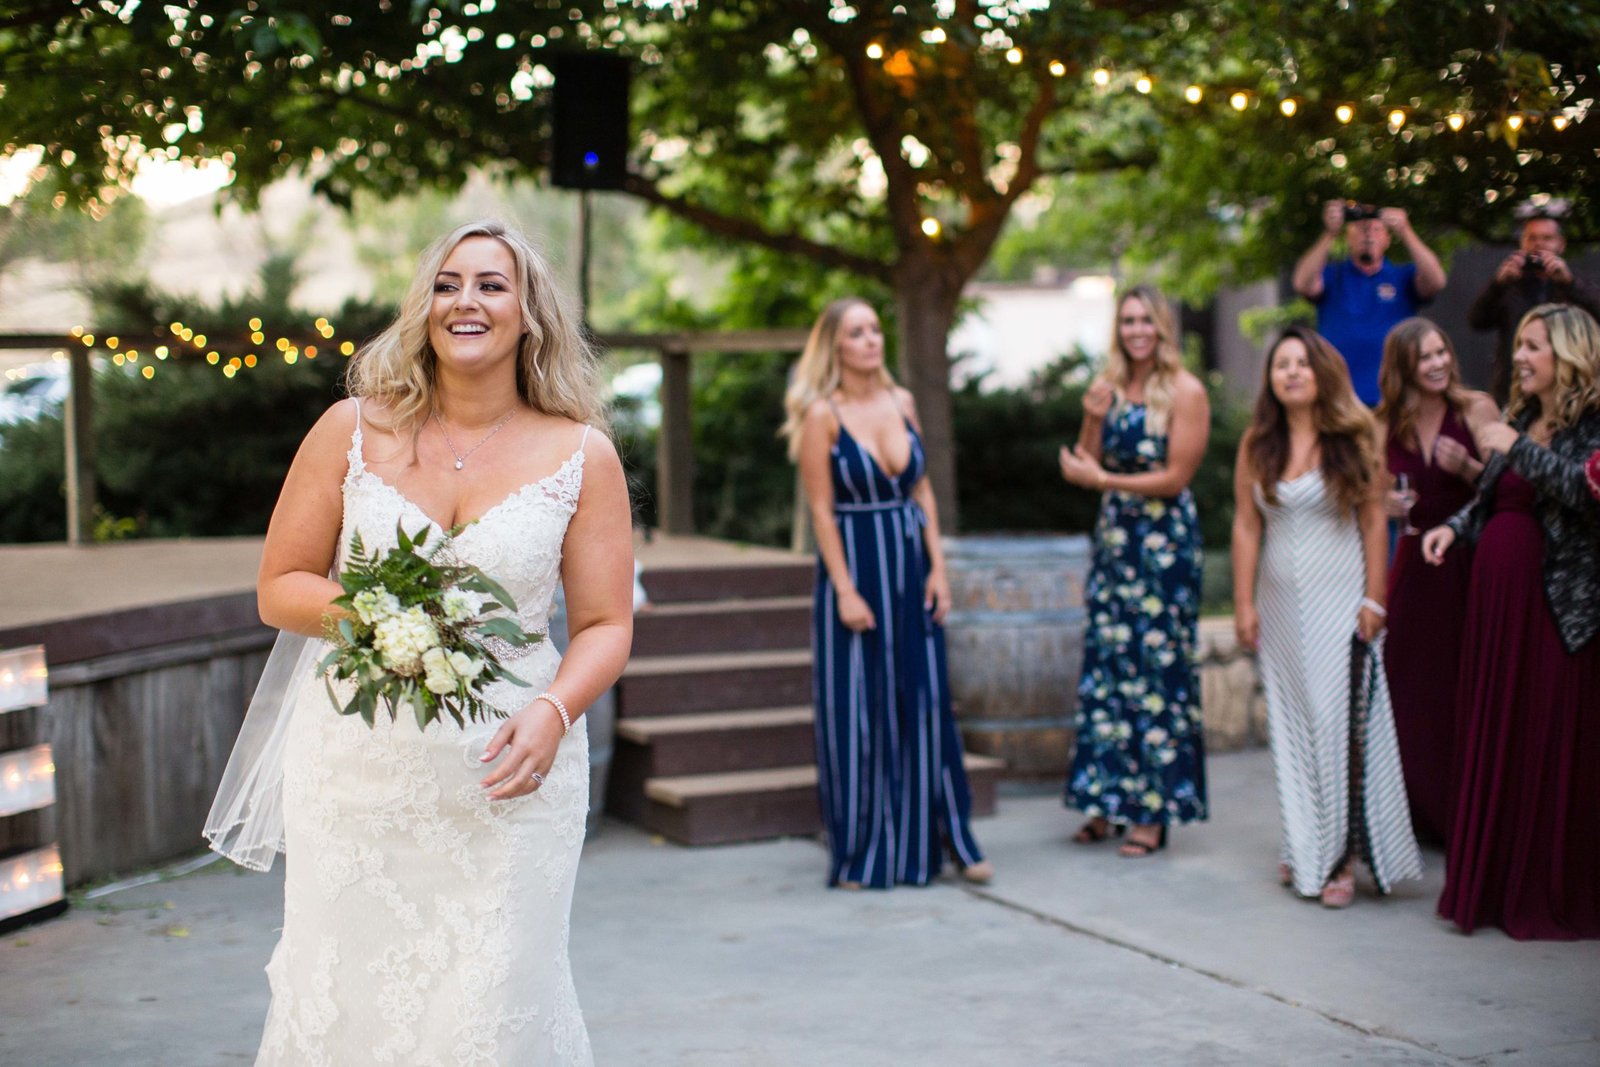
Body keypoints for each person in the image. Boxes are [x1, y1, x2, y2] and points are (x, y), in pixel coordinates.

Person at [208, 220, 634, 1062]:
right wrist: (376, 621)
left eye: (490, 284)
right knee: (355, 1005)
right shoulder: (350, 429)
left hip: (511, 778)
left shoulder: (584, 456)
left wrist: (555, 711)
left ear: (529, 314)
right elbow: (280, 585)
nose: (464, 301)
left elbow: (606, 624)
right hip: (361, 773)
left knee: (492, 1008)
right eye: (447, 284)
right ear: (424, 308)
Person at [781, 297, 991, 889]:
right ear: (836, 346)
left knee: (923, 701)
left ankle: (952, 836)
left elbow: (921, 493)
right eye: (857, 332)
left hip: (909, 569)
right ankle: (864, 851)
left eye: (875, 329)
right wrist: (845, 589)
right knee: (858, 711)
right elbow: (822, 510)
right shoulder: (822, 414)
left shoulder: (903, 403)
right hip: (856, 571)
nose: (872, 340)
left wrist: (938, 570)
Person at [1422, 304, 1600, 940]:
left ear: (1570, 355)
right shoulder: (1523, 415)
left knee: (1545, 740)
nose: (1519, 357)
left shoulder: (1589, 425)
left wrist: (1517, 448)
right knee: (1502, 733)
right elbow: (1489, 499)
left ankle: (1543, 889)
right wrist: (1453, 526)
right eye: (1519, 344)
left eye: (1533, 346)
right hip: (1498, 608)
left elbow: (1585, 492)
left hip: (1556, 608)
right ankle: (1492, 890)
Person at [1231, 326, 1422, 907]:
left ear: (1321, 373)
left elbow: (1372, 521)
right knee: (1292, 726)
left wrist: (1375, 597)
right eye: (1280, 364)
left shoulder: (1355, 433)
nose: (1290, 372)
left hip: (1339, 598)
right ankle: (1306, 840)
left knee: (1335, 722)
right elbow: (1245, 524)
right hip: (1281, 607)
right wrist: (1242, 602)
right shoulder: (1257, 443)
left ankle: (1340, 858)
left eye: (1301, 364)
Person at [1055, 285, 1210, 858]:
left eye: (1146, 320)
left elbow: (1174, 479)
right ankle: (1104, 800)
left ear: (1162, 327)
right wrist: (1091, 419)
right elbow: (1085, 462)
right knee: (1109, 668)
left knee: (1156, 671)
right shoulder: (1110, 388)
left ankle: (1152, 810)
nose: (1136, 330)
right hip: (1117, 541)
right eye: (1127, 321)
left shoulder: (1187, 391)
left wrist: (1105, 484)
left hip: (1163, 545)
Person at [1372, 319, 1497, 844]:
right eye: (1425, 357)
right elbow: (1371, 498)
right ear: (1403, 366)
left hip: (1468, 563)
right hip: (1413, 567)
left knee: (1464, 686)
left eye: (1442, 352)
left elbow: (1508, 490)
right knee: (1407, 689)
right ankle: (1416, 815)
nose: (1439, 363)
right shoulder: (1383, 424)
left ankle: (1464, 818)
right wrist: (1385, 505)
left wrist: (1468, 468)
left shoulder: (1477, 408)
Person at [1293, 200, 1447, 406]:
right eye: (1359, 228)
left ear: (1387, 239)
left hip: (1394, 397)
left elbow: (1436, 281)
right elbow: (1302, 283)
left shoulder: (1401, 276)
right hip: (1338, 398)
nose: (1368, 234)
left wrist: (1406, 231)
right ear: (1348, 237)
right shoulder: (1333, 275)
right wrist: (1329, 233)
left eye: (1376, 229)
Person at [1466, 208, 1600, 404]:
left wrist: (1570, 284)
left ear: (1560, 244)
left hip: (1567, 391)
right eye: (1532, 238)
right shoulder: (1509, 286)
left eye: (1547, 238)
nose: (1539, 244)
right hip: (1515, 390)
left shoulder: (1573, 283)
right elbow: (1476, 321)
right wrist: (1497, 285)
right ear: (1522, 243)